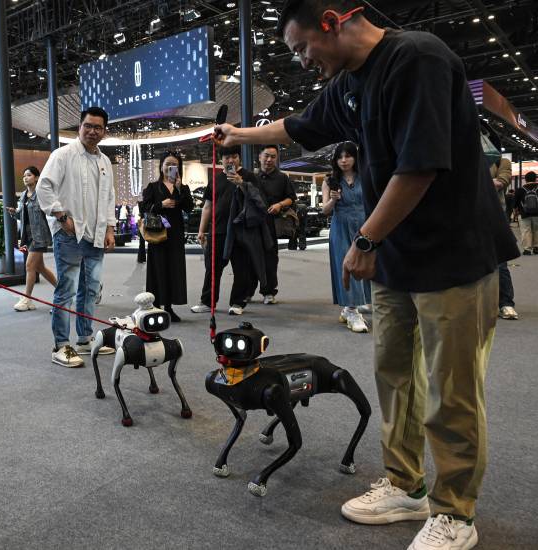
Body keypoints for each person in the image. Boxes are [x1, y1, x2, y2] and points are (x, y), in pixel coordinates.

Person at [215, 2, 519, 549]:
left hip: (453, 255)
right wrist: (240, 134)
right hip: (398, 260)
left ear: (332, 20)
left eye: (302, 46)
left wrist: (365, 240)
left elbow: (419, 167)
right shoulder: (349, 82)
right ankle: (406, 483)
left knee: (451, 389)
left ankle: (455, 512)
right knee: (395, 375)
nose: (302, 60)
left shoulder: (417, 58)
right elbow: (298, 125)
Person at [37, 107, 116, 367]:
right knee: (67, 289)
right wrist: (61, 218)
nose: (93, 131)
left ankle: (84, 338)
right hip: (69, 234)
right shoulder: (63, 155)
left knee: (90, 289)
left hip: (95, 235)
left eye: (98, 127)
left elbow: (109, 198)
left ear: (104, 131)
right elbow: (44, 186)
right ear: (79, 127)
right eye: (88, 126)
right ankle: (61, 344)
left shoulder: (104, 162)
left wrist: (110, 228)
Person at [191, 145, 258, 315]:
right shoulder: (216, 179)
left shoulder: (249, 177)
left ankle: (238, 302)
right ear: (221, 160)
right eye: (227, 157)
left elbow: (258, 200)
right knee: (212, 268)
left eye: (234, 156)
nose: (230, 160)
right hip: (218, 229)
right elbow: (208, 206)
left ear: (239, 158)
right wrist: (201, 230)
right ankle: (207, 302)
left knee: (241, 268)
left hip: (241, 230)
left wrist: (241, 184)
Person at [321, 142, 371, 333]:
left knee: (366, 265)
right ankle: (351, 310)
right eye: (340, 157)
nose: (343, 160)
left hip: (364, 226)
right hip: (341, 227)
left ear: (355, 158)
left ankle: (354, 305)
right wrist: (334, 199)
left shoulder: (365, 177)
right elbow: (325, 210)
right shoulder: (330, 181)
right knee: (346, 266)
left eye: (348, 156)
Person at [141, 151, 194, 322]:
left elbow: (189, 207)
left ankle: (169, 307)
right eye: (167, 164)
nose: (171, 167)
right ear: (161, 166)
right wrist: (160, 204)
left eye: (174, 164)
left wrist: (179, 188)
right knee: (158, 268)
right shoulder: (153, 187)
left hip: (176, 233)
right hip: (157, 233)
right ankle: (156, 306)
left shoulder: (182, 187)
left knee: (174, 268)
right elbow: (145, 208)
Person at [8, 166, 57, 311]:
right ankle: (63, 291)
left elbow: (50, 212)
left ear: (36, 177)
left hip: (39, 236)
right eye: (24, 175)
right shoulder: (23, 195)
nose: (25, 178)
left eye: (28, 175)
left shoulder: (41, 194)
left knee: (30, 266)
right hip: (28, 236)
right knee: (40, 267)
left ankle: (27, 299)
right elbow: (22, 216)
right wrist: (14, 213)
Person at [482, 123, 518, 320]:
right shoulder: (466, 160)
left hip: (495, 215)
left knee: (500, 262)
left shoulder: (501, 162)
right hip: (468, 216)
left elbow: (501, 181)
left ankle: (506, 303)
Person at [252, 145, 296, 304]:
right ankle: (247, 291)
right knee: (249, 257)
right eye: (266, 156)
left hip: (271, 222)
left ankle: (269, 292)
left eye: (273, 157)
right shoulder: (252, 176)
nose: (269, 160)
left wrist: (280, 205)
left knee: (270, 258)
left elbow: (291, 198)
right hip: (252, 222)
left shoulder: (282, 177)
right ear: (259, 157)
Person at [515, 171, 538, 255]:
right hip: (537, 214)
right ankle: (536, 247)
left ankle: (527, 249)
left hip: (524, 214)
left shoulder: (520, 189)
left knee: (526, 230)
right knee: (537, 230)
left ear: (525, 179)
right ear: (535, 178)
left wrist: (517, 211)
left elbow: (515, 203)